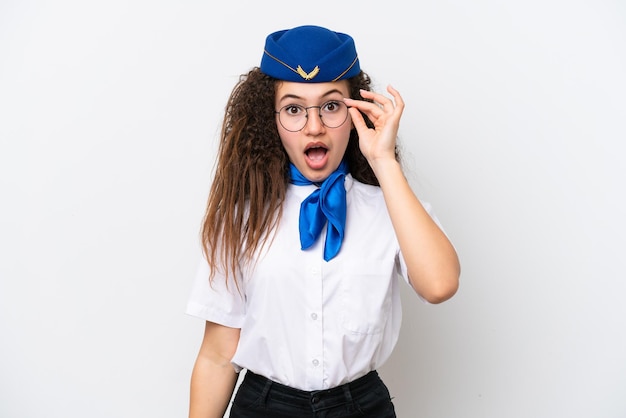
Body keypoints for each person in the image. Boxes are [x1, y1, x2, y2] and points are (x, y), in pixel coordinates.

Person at [186, 24, 460, 418]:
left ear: (356, 113)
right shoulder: (242, 218)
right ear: (272, 119)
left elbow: (440, 285)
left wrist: (384, 161)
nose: (314, 127)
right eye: (294, 109)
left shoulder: (392, 210)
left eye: (331, 106)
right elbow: (216, 357)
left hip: (361, 407)